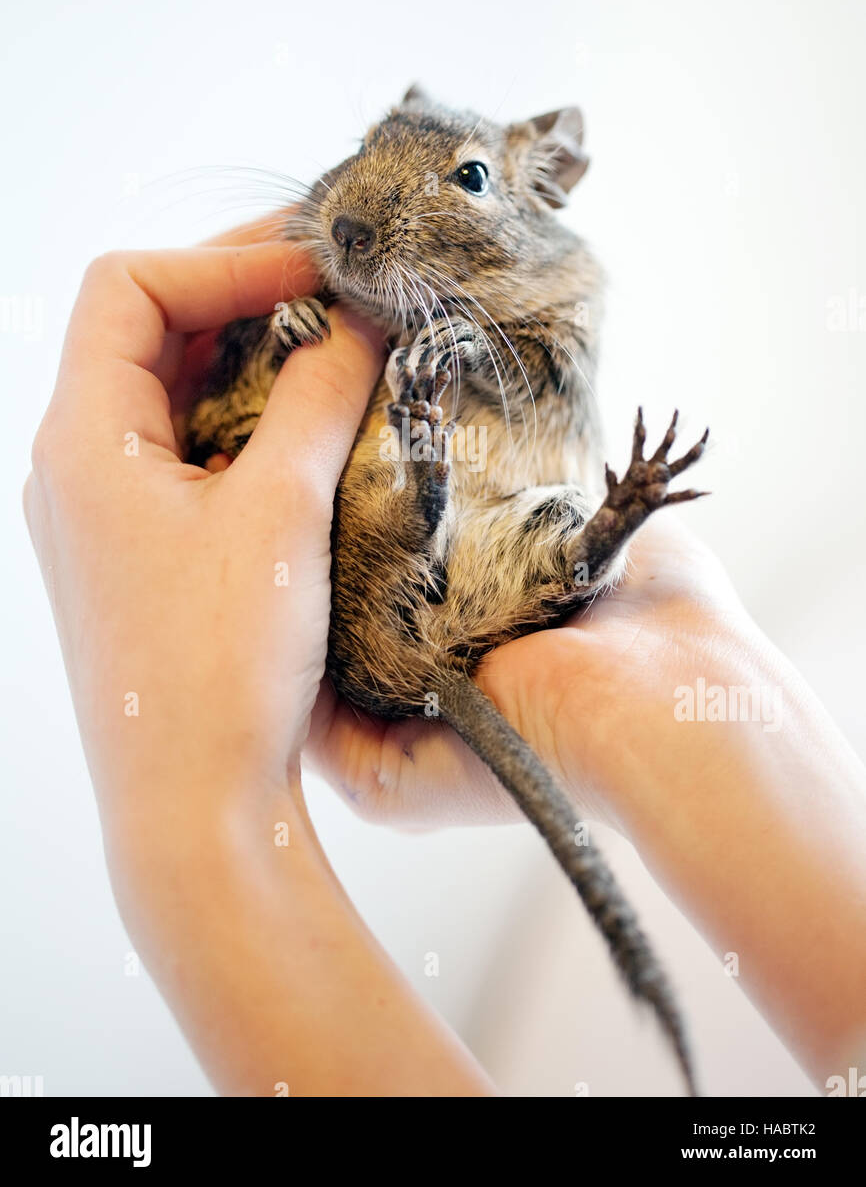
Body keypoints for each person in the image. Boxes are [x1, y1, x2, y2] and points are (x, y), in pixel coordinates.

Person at [24, 215, 866, 1097]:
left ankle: (563, 522)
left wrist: (197, 813)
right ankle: (499, 502)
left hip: (462, 581)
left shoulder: (528, 312)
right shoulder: (305, 327)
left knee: (547, 543)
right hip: (394, 620)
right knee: (470, 537)